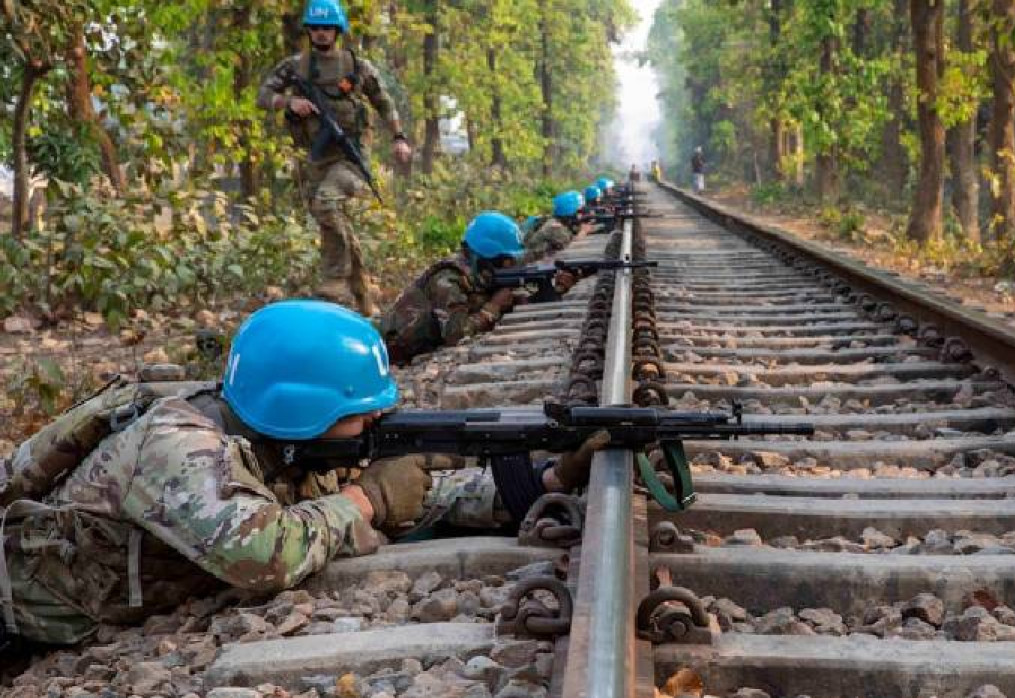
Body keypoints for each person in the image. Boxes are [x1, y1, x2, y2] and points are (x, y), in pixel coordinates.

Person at [0, 300, 607, 646]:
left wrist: (543, 483)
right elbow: (264, 554)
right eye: (357, 411)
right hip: (21, 624)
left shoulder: (285, 440)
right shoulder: (176, 447)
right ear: (301, 411)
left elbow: (418, 498)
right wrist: (366, 503)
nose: (377, 418)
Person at [257, 0, 413, 317]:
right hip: (317, 157)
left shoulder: (356, 66)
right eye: (315, 28)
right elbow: (263, 95)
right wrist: (289, 102)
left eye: (327, 28)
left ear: (337, 30)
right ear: (308, 31)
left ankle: (334, 283)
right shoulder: (295, 67)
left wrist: (399, 138)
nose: (321, 34)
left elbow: (384, 103)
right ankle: (362, 293)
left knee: (327, 204)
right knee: (329, 222)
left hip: (350, 157)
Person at [379, 212, 525, 364]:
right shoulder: (447, 279)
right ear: (485, 259)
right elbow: (456, 335)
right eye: (505, 262)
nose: (508, 267)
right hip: (390, 351)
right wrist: (492, 308)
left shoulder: (478, 274)